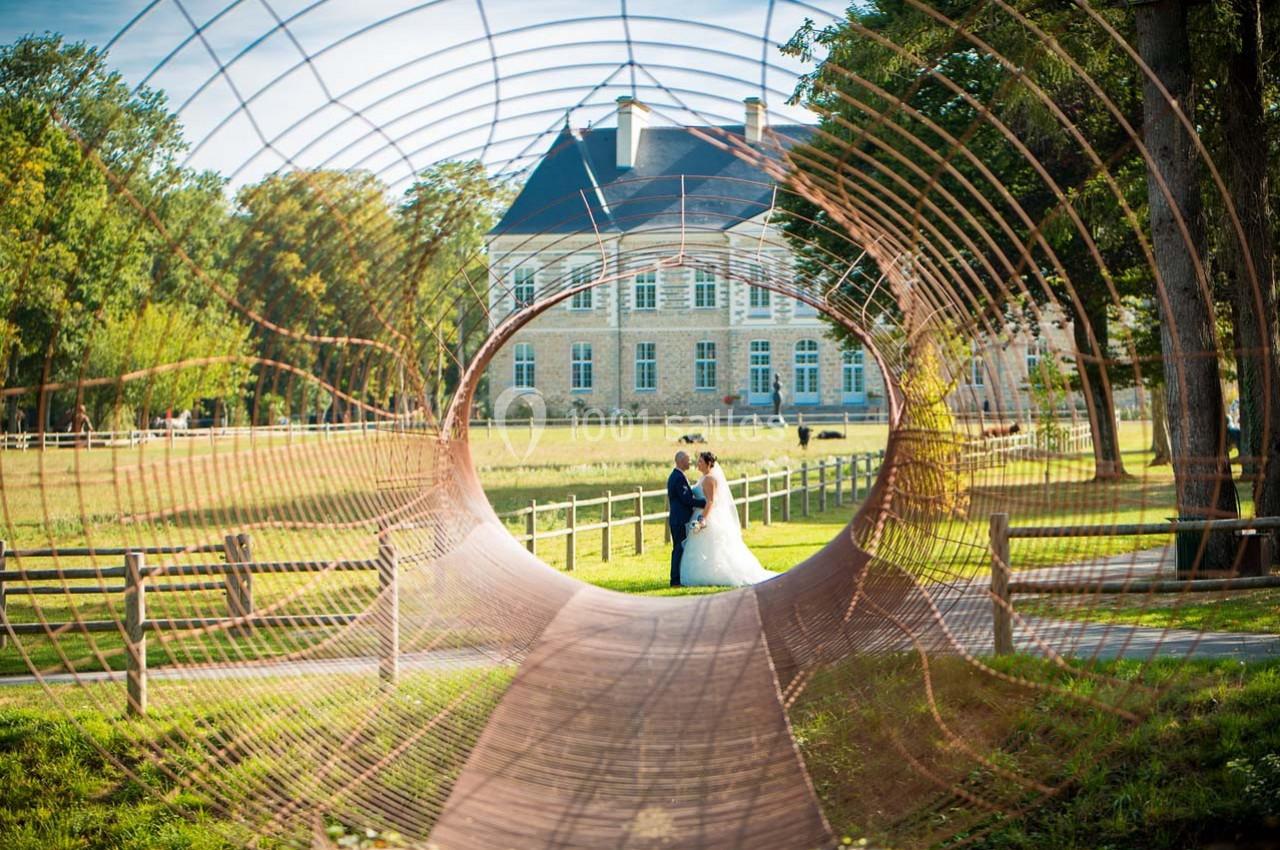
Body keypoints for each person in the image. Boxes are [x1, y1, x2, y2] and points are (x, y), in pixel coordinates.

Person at [679, 451, 776, 587]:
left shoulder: (709, 479)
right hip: (704, 514)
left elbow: (711, 501)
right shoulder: (704, 477)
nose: (698, 464)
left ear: (708, 464)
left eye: (701, 461)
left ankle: (716, 573)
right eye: (698, 461)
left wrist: (702, 520)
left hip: (708, 516)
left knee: (715, 547)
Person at [666, 450, 706, 587]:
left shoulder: (678, 476)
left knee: (680, 548)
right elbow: (686, 499)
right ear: (680, 461)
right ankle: (675, 580)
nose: (690, 462)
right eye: (688, 459)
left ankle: (679, 577)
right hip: (679, 519)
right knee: (678, 548)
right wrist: (704, 503)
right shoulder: (678, 477)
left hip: (679, 519)